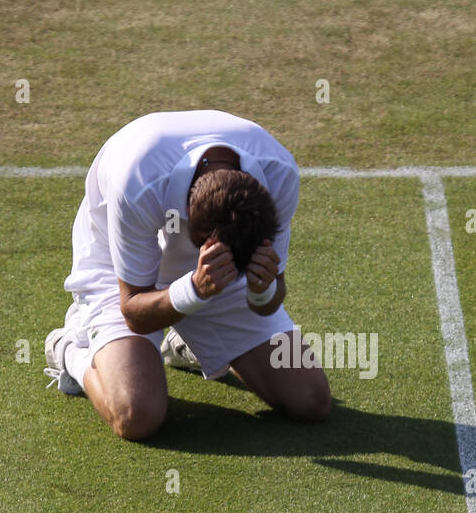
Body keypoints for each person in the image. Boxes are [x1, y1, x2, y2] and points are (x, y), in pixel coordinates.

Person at [44, 110, 331, 440]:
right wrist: (194, 290)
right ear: (190, 230)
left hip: (213, 274)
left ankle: (185, 344)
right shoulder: (137, 180)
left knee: (311, 401)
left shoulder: (278, 176)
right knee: (136, 416)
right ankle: (70, 351)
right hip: (117, 264)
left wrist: (262, 290)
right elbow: (135, 312)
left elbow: (270, 298)